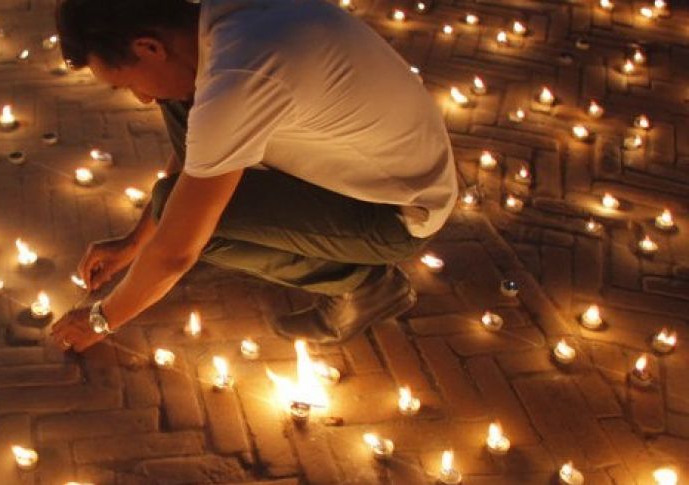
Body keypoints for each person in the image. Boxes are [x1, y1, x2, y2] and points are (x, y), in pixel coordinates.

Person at [50, 0, 457, 352]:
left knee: (196, 225)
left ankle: (364, 285)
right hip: (369, 163)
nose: (139, 96)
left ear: (149, 46)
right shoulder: (215, 23)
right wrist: (134, 245)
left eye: (126, 83)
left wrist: (101, 321)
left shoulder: (240, 78)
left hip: (395, 212)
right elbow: (200, 149)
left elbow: (176, 252)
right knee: (180, 105)